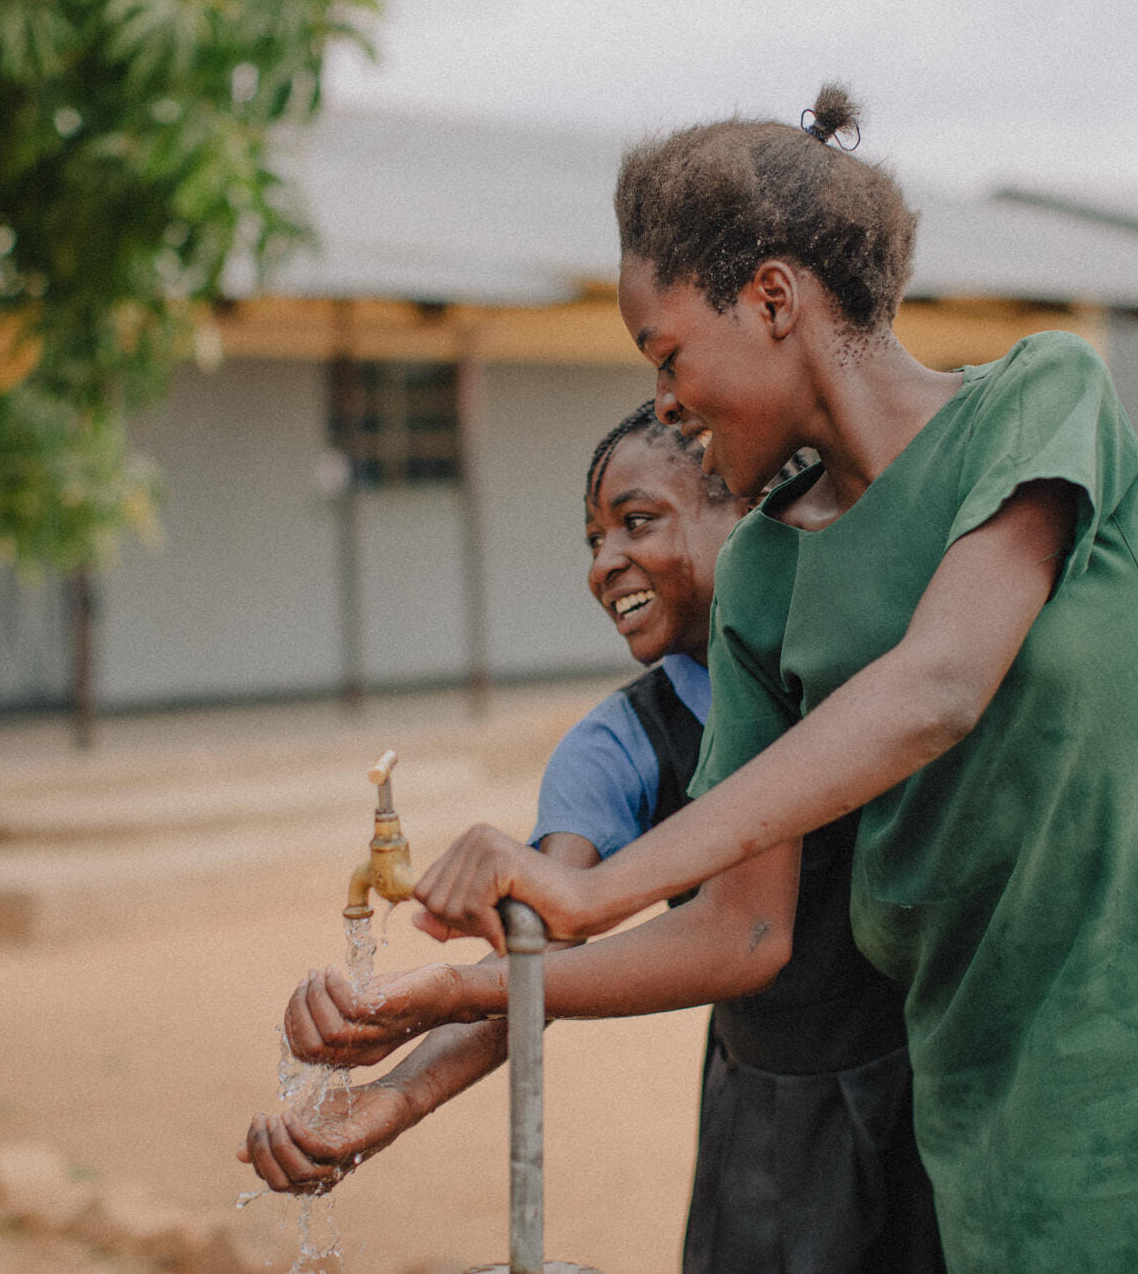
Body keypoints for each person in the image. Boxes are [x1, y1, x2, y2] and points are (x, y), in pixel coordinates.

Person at [406, 86, 1138, 1271]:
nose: (666, 401)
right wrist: (476, 989)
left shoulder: (1038, 403)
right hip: (975, 1134)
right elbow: (741, 931)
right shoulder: (763, 576)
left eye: (667, 351)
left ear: (773, 296)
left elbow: (935, 688)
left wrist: (596, 889)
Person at [240, 403, 944, 1273]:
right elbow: (541, 944)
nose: (605, 563)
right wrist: (396, 1095)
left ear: (750, 508)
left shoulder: (874, 670)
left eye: (637, 522)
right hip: (772, 1139)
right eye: (593, 540)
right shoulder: (617, 747)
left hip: (940, 1088)